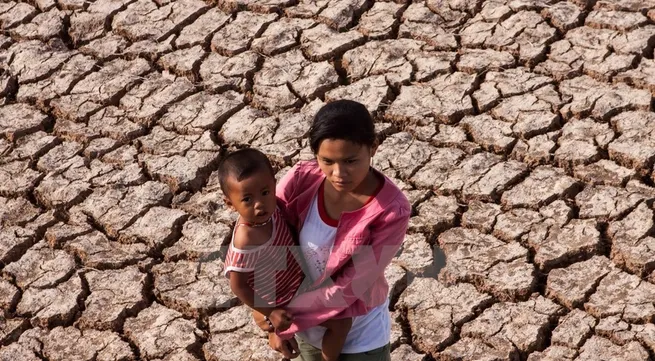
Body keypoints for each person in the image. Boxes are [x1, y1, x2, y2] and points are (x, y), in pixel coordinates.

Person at [255, 100, 411, 361]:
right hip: (307, 331)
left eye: (351, 161)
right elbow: (266, 237)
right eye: (327, 160)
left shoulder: (391, 211)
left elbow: (351, 285)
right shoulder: (301, 179)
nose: (338, 173)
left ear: (373, 147)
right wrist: (265, 306)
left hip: (361, 338)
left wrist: (283, 318)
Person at [219, 148, 353, 361]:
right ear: (229, 203)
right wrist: (269, 312)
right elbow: (238, 285)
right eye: (247, 199)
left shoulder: (274, 210)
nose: (259, 204)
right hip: (284, 299)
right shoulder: (246, 239)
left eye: (265, 193)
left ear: (274, 184)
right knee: (341, 321)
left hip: (298, 284)